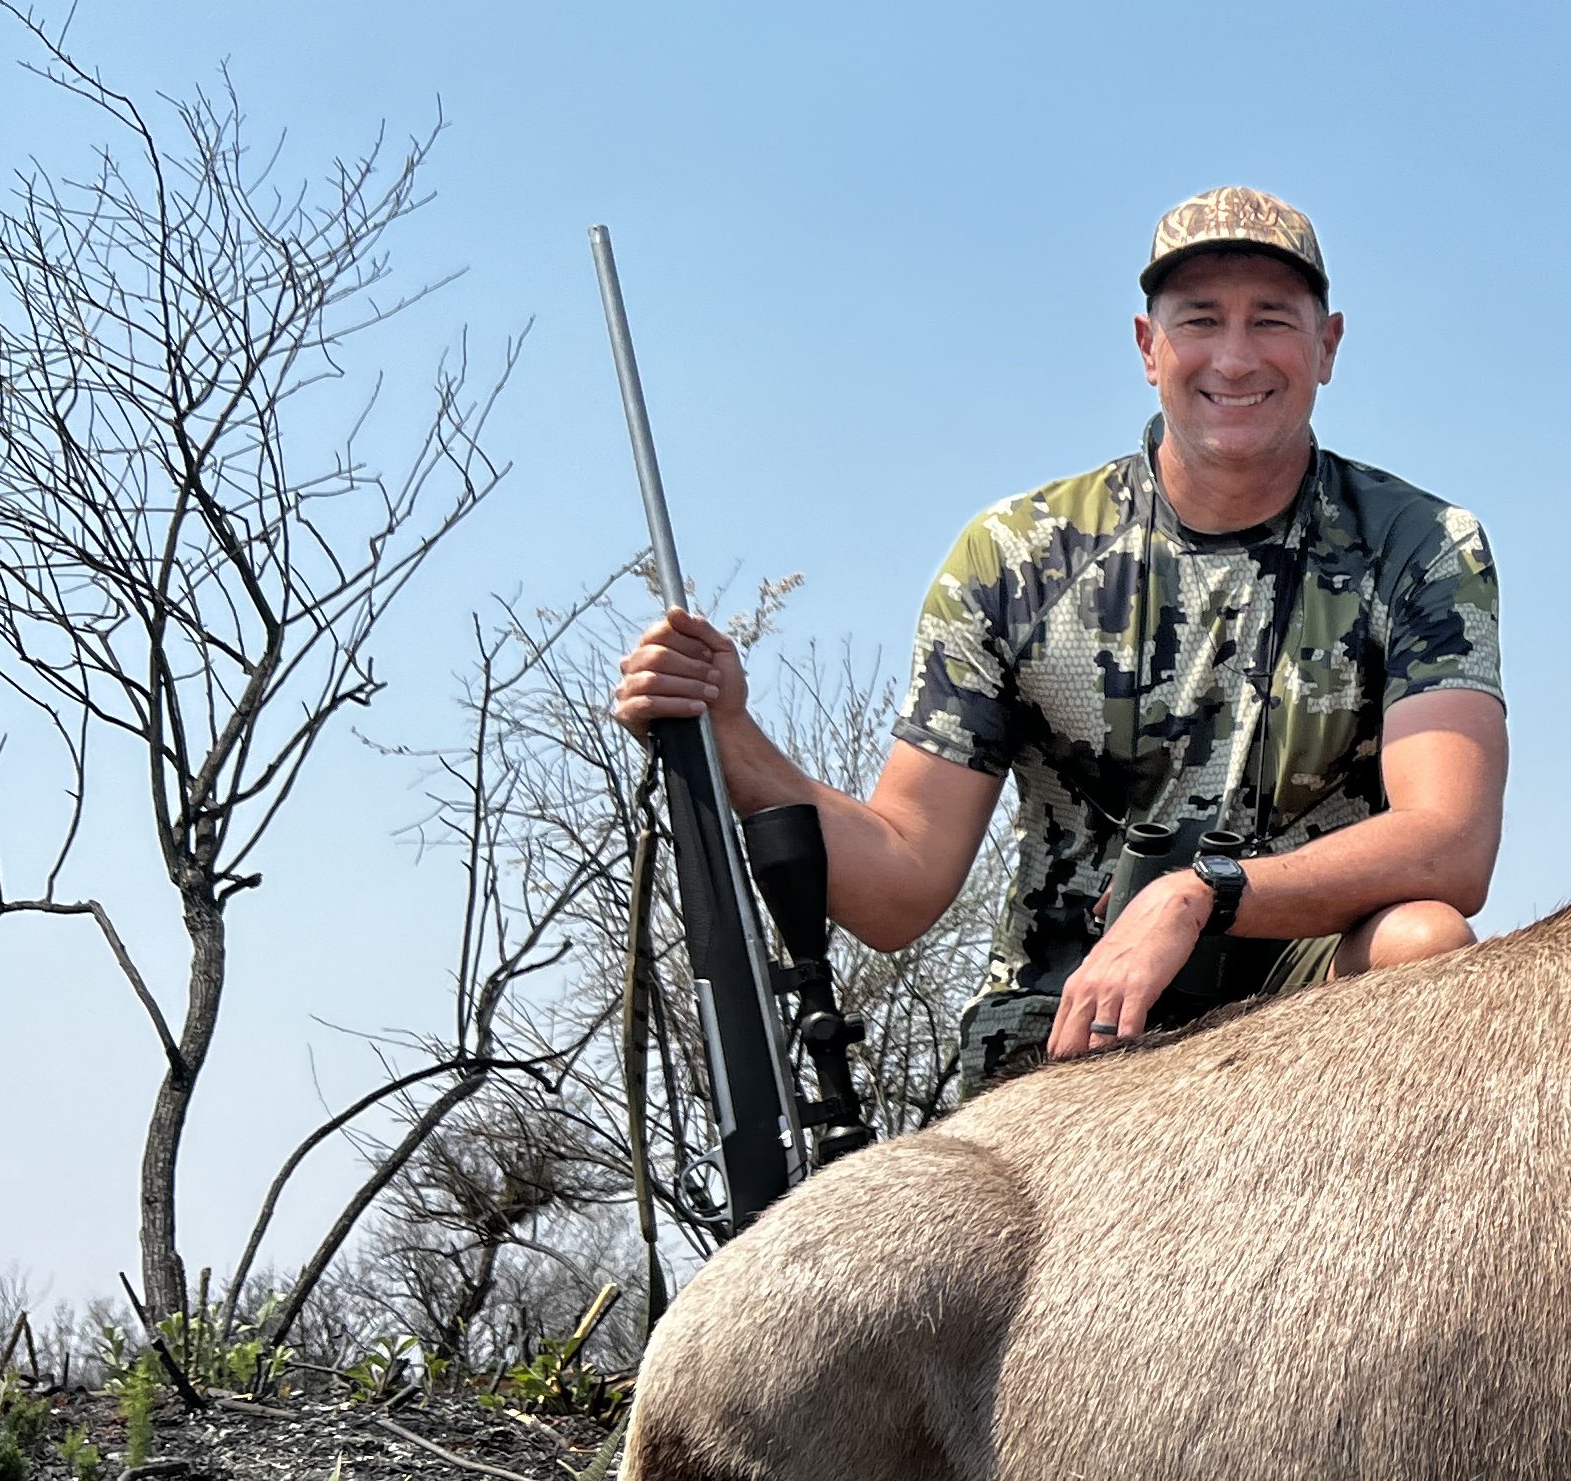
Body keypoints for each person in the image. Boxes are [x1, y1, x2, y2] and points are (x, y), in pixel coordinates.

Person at [611, 187, 1505, 1100]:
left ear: (1328, 346)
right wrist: (731, 736)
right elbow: (901, 883)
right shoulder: (1013, 557)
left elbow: (1449, 846)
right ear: (1148, 347)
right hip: (1069, 1010)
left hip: (1303, 993)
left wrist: (1196, 895)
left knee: (1424, 942)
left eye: (1271, 319)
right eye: (1199, 319)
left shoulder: (1423, 545)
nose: (1235, 356)